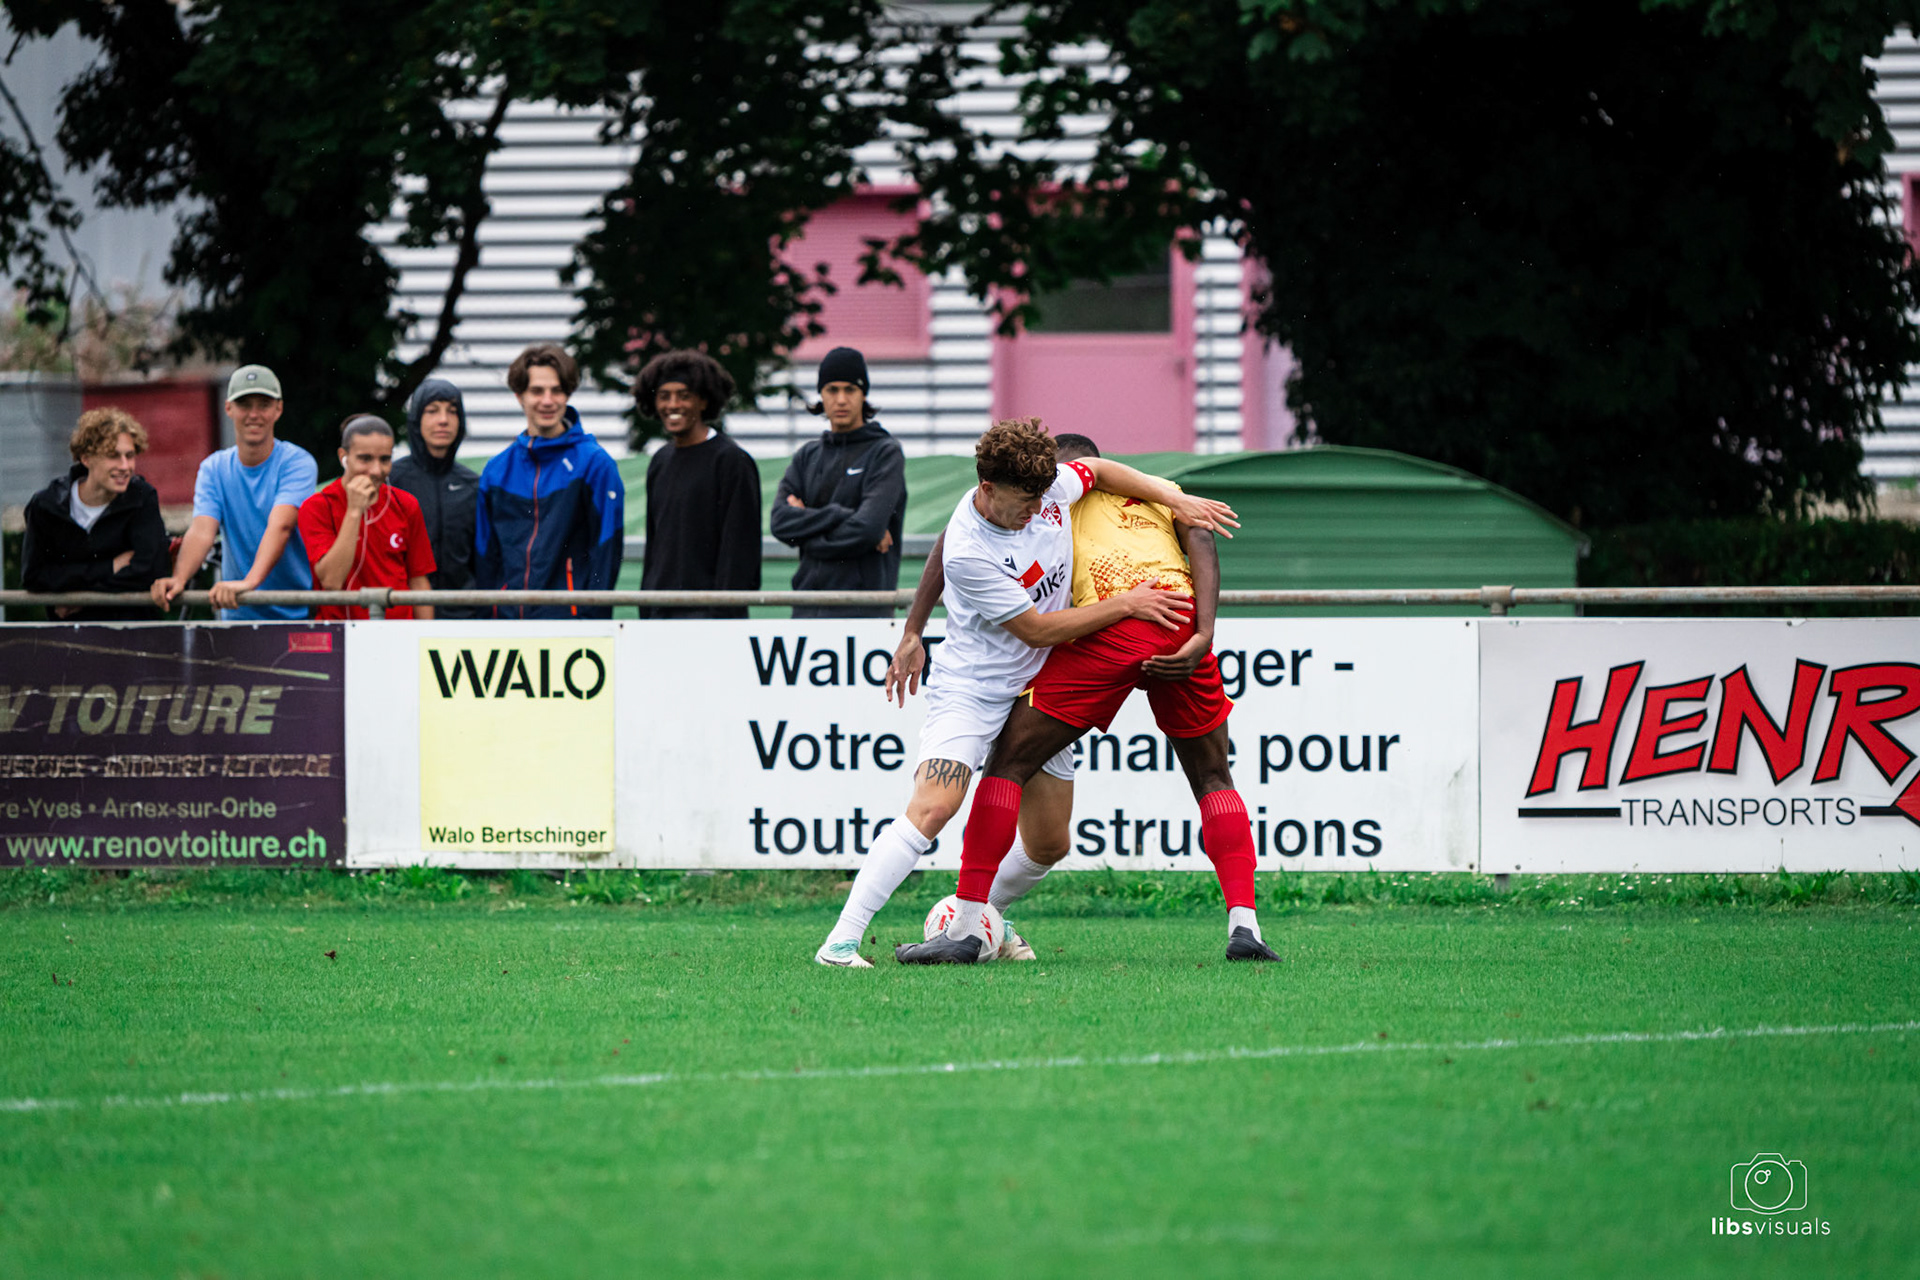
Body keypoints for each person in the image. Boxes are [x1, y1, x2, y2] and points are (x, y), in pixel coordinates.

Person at [812, 417, 1238, 968]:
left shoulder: (1048, 487)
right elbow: (1035, 627)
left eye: (1043, 497)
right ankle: (841, 942)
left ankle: (979, 918)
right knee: (935, 808)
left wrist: (1173, 497)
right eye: (1024, 502)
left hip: (1039, 682)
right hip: (975, 690)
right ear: (986, 490)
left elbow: (1102, 469)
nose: (1038, 511)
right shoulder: (972, 550)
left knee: (1047, 844)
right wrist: (1127, 604)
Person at [152, 364, 316, 620]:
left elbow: (281, 526)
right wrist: (179, 579)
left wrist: (248, 584)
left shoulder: (298, 462)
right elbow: (202, 530)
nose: (254, 414)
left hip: (297, 613)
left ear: (278, 409)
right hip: (238, 613)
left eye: (263, 404)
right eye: (244, 404)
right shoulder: (213, 467)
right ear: (228, 408)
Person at [474, 344, 625, 620]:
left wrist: (591, 620)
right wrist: (490, 617)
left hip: (571, 629)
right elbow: (486, 557)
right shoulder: (496, 470)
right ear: (519, 396)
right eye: (537, 391)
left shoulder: (595, 464)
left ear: (568, 394)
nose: (547, 400)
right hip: (506, 627)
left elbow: (606, 553)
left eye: (557, 390)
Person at [770, 346, 907, 619]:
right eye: (832, 390)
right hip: (807, 610)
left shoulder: (885, 452)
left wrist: (807, 534)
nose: (841, 399)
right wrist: (840, 515)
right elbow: (780, 523)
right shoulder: (807, 456)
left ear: (863, 394)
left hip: (864, 613)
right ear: (821, 394)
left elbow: (867, 530)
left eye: (850, 389)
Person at [636, 349, 761, 619]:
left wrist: (720, 617)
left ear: (703, 401)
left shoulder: (731, 460)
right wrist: (645, 610)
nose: (673, 405)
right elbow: (654, 548)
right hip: (660, 615)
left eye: (684, 395)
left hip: (710, 619)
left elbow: (739, 551)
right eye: (664, 396)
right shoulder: (660, 461)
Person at [21, 407, 169, 620]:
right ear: (86, 458)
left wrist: (79, 598)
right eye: (113, 456)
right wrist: (110, 567)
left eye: (130, 456)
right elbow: (34, 577)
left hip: (133, 632)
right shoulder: (46, 505)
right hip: (67, 637)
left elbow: (151, 572)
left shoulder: (142, 497)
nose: (125, 466)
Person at [297, 415, 437, 621]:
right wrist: (354, 510)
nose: (376, 470)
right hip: (342, 635)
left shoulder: (406, 504)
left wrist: (425, 640)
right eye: (365, 458)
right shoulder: (317, 506)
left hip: (398, 633)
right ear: (343, 457)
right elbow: (331, 580)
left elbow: (418, 581)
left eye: (385, 459)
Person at [390, 377, 480, 617]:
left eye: (452, 411)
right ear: (416, 419)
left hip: (465, 618)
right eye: (432, 411)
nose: (443, 420)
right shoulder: (392, 481)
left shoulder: (473, 485)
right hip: (405, 617)